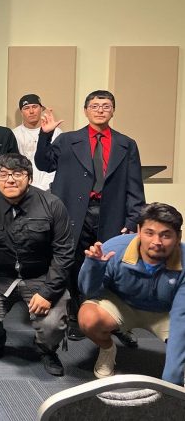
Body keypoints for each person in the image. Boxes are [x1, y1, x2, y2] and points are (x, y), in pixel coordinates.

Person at [35, 90, 145, 341]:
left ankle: (114, 321)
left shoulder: (126, 144)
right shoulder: (67, 140)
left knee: (111, 266)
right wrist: (46, 134)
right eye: (94, 106)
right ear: (86, 111)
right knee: (73, 263)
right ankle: (77, 316)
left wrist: (132, 221)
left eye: (106, 106)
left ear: (113, 111)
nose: (100, 110)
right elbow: (43, 164)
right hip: (74, 213)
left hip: (111, 213)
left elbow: (135, 186)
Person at [0, 154, 74, 376]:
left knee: (52, 326)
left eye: (17, 174)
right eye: (3, 174)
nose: (10, 180)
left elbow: (64, 254)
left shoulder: (52, 205)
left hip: (41, 276)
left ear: (29, 178)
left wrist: (48, 292)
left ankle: (46, 349)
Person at [78, 203, 185, 384]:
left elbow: (181, 318)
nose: (156, 242)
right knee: (88, 318)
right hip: (122, 303)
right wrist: (94, 267)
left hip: (165, 311)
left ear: (178, 236)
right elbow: (88, 291)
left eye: (165, 235)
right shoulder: (115, 248)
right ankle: (107, 349)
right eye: (149, 233)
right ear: (138, 231)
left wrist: (170, 383)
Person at [12, 94, 61, 191]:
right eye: (26, 108)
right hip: (23, 187)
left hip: (50, 187)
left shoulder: (56, 132)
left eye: (35, 107)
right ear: (21, 112)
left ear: (42, 109)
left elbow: (57, 163)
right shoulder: (14, 134)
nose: (31, 111)